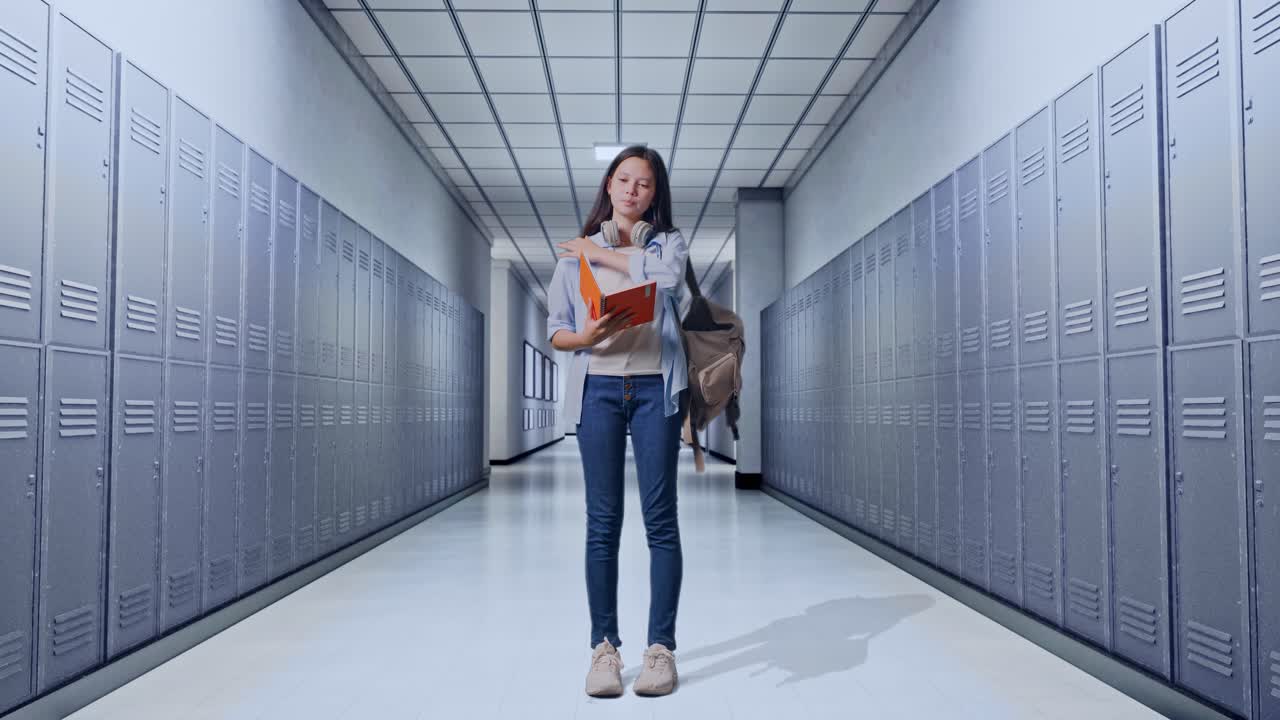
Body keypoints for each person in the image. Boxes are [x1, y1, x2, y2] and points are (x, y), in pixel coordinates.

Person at [546, 146, 690, 698]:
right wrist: (584, 338)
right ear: (609, 185)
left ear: (655, 194)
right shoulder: (571, 253)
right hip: (599, 390)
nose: (632, 190)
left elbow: (668, 278)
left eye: (645, 183)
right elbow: (558, 326)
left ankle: (661, 651)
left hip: (655, 387)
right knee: (602, 524)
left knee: (661, 523)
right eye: (624, 179)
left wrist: (601, 257)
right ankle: (604, 649)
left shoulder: (665, 242)